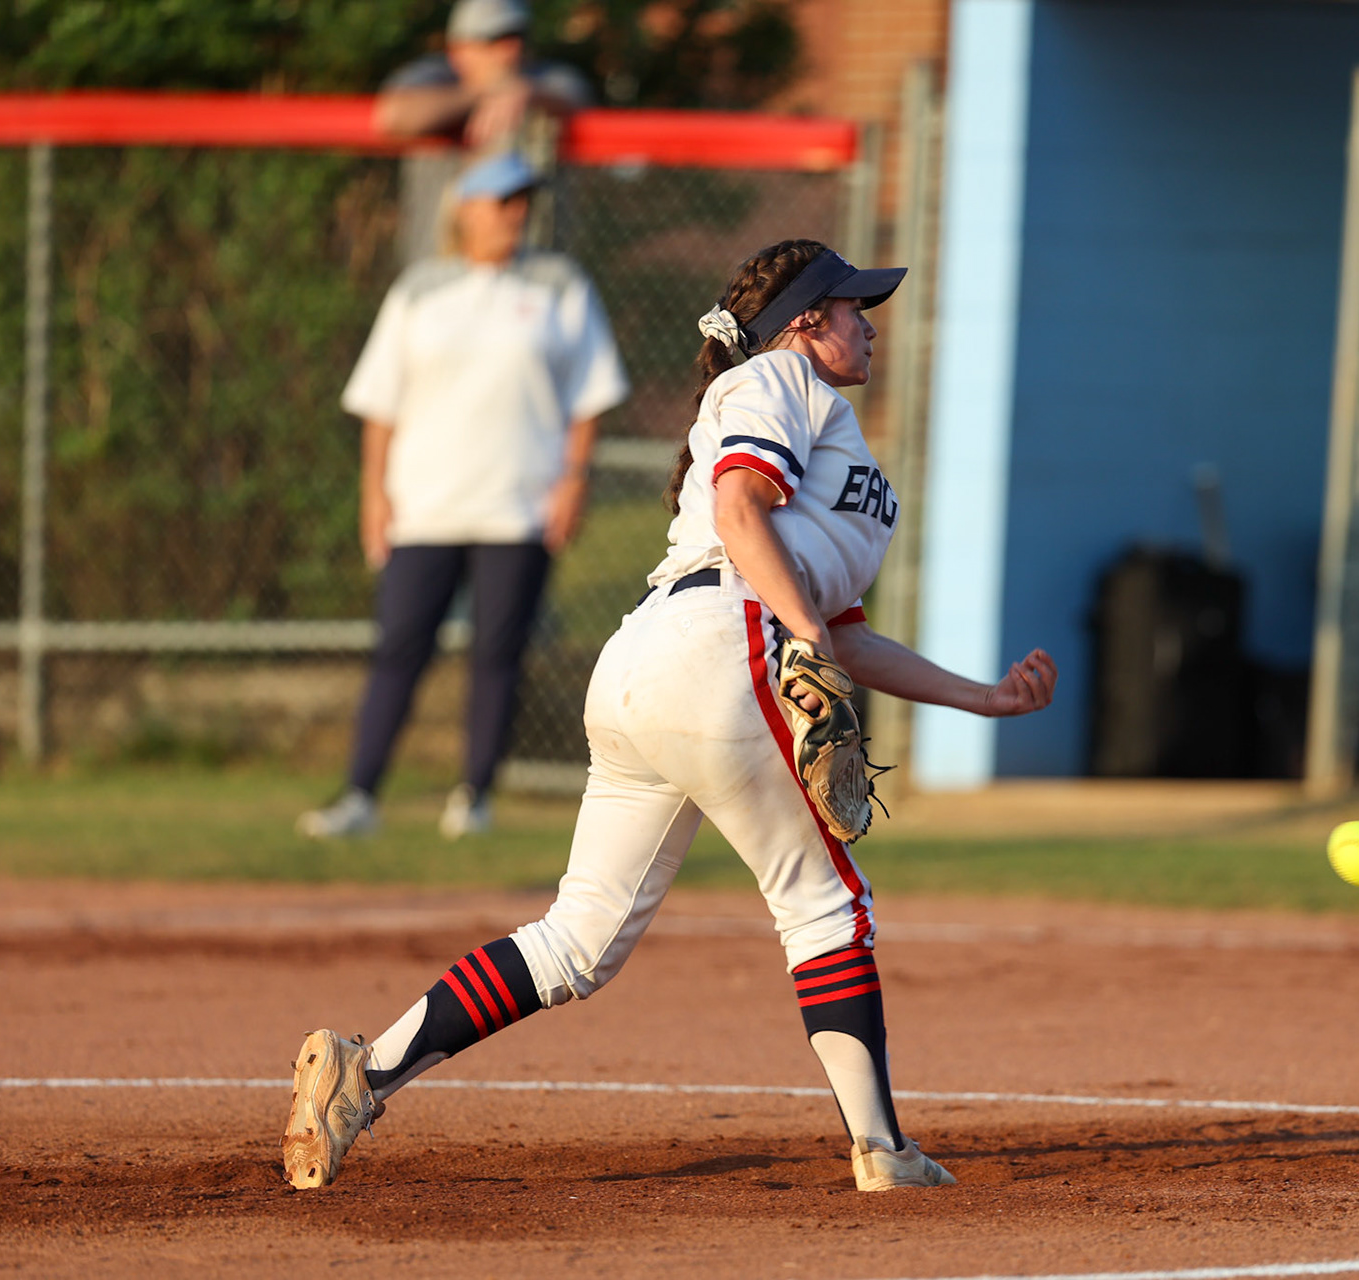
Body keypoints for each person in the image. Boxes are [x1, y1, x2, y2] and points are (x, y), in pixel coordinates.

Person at [281, 238, 1059, 1192]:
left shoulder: (830, 430)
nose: (869, 326)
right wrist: (803, 639)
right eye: (854, 309)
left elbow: (844, 635)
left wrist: (981, 697)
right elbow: (740, 515)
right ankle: (884, 1152)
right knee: (824, 906)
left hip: (658, 662)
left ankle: (367, 1073)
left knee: (580, 940)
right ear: (803, 324)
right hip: (716, 640)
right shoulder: (780, 380)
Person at [297, 151, 628, 841]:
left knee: (497, 654)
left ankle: (474, 796)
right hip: (425, 504)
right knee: (399, 648)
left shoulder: (559, 285)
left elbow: (588, 398)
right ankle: (361, 795)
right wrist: (374, 496)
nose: (515, 214)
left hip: (520, 504)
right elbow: (380, 404)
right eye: (500, 201)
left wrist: (572, 481)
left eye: (522, 201)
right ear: (465, 210)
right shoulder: (421, 290)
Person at [373, 0, 589, 150]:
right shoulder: (436, 74)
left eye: (518, 37)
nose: (512, 50)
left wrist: (528, 95)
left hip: (535, 216)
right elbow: (393, 116)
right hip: (444, 215)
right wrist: (484, 91)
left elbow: (579, 98)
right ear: (459, 48)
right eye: (495, 39)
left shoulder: (542, 78)